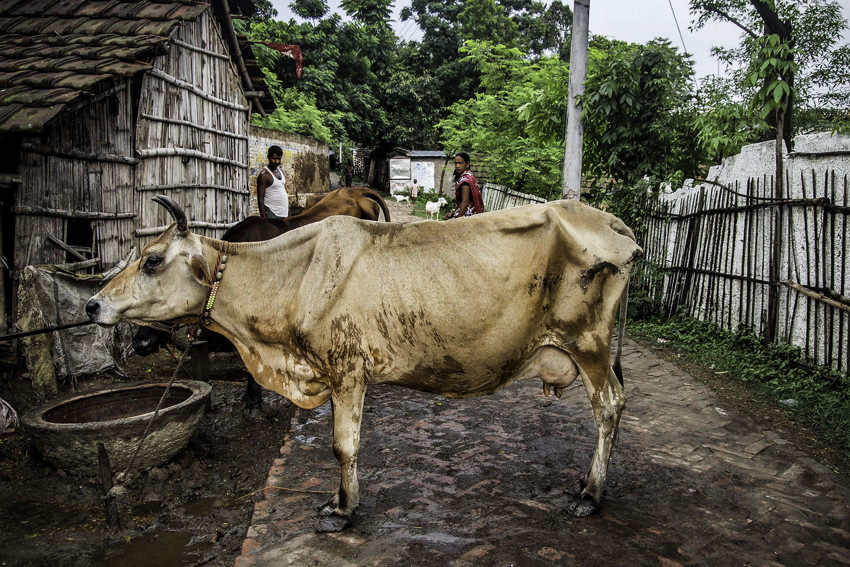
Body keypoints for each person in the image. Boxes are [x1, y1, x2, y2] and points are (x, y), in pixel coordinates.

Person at [445, 152, 484, 219]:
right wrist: (453, 213)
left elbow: (465, 202)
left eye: (460, 163)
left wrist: (457, 220)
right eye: (456, 163)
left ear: (467, 164)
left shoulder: (465, 181)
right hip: (472, 212)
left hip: (468, 215)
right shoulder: (469, 175)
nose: (457, 166)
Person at [257, 145, 288, 218]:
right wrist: (265, 220)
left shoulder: (280, 172)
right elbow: (260, 200)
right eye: (274, 159)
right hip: (272, 214)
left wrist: (288, 212)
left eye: (279, 159)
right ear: (268, 157)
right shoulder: (264, 175)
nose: (276, 161)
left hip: (284, 213)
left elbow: (283, 192)